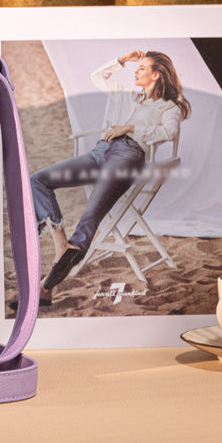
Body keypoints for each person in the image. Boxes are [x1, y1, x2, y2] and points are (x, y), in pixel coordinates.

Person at [31, 50, 191, 304]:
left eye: (142, 67)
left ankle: (45, 287)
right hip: (100, 152)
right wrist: (123, 59)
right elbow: (97, 77)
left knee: (89, 217)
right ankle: (61, 242)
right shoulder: (127, 95)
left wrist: (129, 128)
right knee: (38, 180)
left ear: (156, 75)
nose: (136, 71)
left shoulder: (168, 107)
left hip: (127, 157)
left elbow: (170, 132)